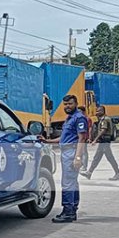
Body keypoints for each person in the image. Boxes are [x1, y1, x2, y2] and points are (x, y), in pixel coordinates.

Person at [41, 95, 88, 223]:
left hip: (72, 152)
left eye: (70, 104)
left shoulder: (79, 118)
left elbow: (82, 138)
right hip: (66, 151)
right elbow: (64, 138)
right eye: (65, 104)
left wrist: (78, 157)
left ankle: (68, 212)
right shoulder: (69, 118)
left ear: (76, 104)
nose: (67, 106)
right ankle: (72, 209)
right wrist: (47, 141)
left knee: (67, 183)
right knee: (72, 182)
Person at [80, 106, 119, 181]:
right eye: (96, 111)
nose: (97, 113)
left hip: (105, 141)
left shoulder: (105, 119)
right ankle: (89, 172)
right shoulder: (103, 119)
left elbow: (103, 130)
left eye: (99, 111)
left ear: (103, 111)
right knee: (97, 157)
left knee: (109, 158)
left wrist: (95, 140)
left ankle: (118, 174)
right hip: (104, 141)